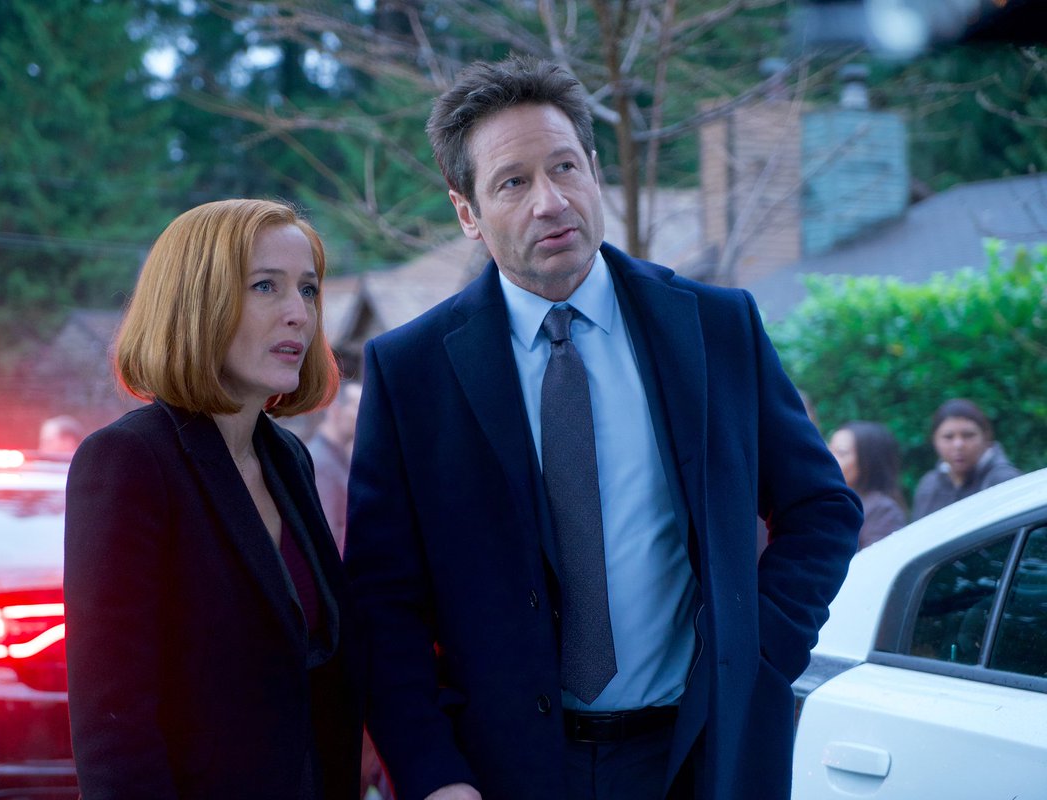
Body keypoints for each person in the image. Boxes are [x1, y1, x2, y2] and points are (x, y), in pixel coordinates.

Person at [345, 56, 862, 800]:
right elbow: (382, 602)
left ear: (594, 170)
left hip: (699, 756)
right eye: (512, 182)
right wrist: (433, 774)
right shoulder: (411, 371)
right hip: (502, 770)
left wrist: (758, 648)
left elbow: (822, 508)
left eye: (564, 167)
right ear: (467, 212)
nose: (550, 202)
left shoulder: (715, 327)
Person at [64, 199, 362, 799]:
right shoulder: (129, 461)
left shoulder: (288, 458)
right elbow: (114, 727)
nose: (299, 314)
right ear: (196, 303)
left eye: (307, 290)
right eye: (265, 286)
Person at [911, 398, 1021, 520]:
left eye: (968, 435)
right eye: (948, 437)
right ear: (934, 440)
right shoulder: (929, 486)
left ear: (986, 437)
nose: (958, 445)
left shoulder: (1003, 481)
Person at [828, 421, 908, 549]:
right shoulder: (835, 501)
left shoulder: (882, 511)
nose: (829, 459)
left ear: (868, 461)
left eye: (841, 453)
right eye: (829, 451)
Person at [307, 380, 363, 556]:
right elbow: (327, 533)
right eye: (357, 407)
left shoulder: (339, 455)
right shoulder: (320, 462)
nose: (362, 415)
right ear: (336, 410)